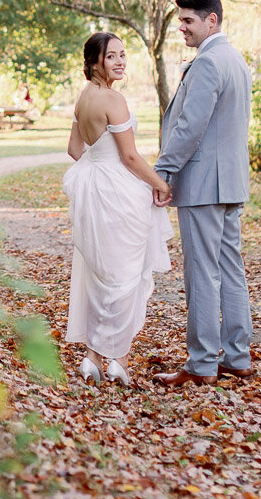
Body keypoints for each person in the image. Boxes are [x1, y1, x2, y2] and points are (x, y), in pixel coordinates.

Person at [152, 0, 256, 387]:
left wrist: (163, 172)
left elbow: (190, 127)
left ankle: (200, 364)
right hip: (230, 183)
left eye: (188, 20)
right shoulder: (237, 60)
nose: (182, 27)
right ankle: (237, 356)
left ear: (211, 20)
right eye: (180, 20)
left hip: (203, 185)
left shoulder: (210, 62)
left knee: (202, 274)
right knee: (230, 269)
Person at [63, 31, 173, 386]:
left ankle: (93, 358)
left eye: (123, 55)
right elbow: (128, 156)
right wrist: (160, 183)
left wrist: (98, 171)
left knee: (103, 276)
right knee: (125, 277)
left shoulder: (83, 98)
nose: (121, 61)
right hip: (121, 195)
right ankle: (120, 361)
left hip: (96, 193)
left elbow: (74, 149)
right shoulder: (114, 99)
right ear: (95, 61)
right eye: (112, 56)